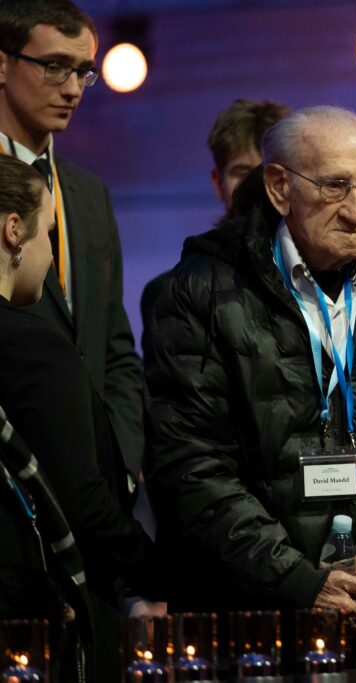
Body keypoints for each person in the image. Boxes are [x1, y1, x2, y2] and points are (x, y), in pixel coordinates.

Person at [144, 106, 356, 660]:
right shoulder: (199, 291)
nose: (355, 210)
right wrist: (300, 581)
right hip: (249, 625)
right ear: (279, 188)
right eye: (334, 186)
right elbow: (190, 466)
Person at [0, 154, 160, 680]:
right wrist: (165, 577)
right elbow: (85, 504)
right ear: (13, 231)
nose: (48, 256)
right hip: (49, 617)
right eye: (47, 233)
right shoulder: (36, 348)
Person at [0, 0, 144, 478]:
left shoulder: (87, 192)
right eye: (54, 66)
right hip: (16, 471)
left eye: (82, 71)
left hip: (98, 476)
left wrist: (122, 454)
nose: (72, 89)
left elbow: (114, 341)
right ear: (2, 63)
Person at [140, 98, 291, 356]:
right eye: (243, 173)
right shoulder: (172, 292)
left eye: (267, 173)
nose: (256, 185)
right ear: (217, 182)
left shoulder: (322, 284)